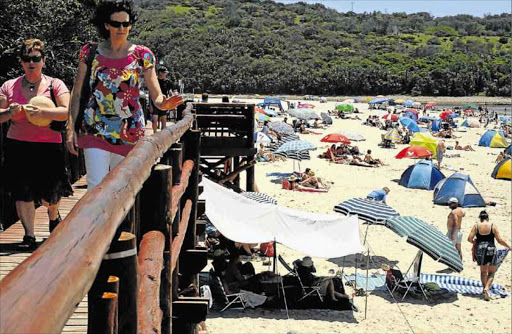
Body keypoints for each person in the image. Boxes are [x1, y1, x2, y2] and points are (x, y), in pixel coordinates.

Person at [66, 0, 183, 190]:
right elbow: (77, 93)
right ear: (106, 25)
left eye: (126, 24)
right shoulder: (90, 52)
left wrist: (166, 104)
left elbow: (157, 97)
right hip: (95, 130)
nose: (122, 28)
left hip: (130, 134)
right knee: (96, 188)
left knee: (121, 190)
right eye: (116, 24)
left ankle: (118, 222)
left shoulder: (142, 55)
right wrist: (70, 129)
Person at [0, 38, 73, 249]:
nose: (31, 63)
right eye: (27, 59)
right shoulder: (8, 86)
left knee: (51, 194)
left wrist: (43, 113)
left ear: (43, 60)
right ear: (21, 62)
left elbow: (66, 112)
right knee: (22, 192)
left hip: (49, 146)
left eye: (36, 58)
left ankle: (53, 215)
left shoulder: (55, 84)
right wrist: (9, 112)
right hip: (18, 145)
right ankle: (29, 236)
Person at [467, 211, 511, 301]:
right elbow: (499, 240)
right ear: (487, 218)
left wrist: (475, 242)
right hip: (491, 249)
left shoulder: (476, 226)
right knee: (491, 272)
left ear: (480, 218)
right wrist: (509, 246)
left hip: (480, 249)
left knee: (483, 272)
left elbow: (469, 238)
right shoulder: (492, 226)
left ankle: (484, 290)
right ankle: (487, 288)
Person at [150, 66, 173, 133]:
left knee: (164, 119)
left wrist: (172, 101)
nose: (165, 74)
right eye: (164, 73)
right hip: (155, 102)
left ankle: (162, 135)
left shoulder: (167, 82)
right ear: (160, 73)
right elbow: (150, 93)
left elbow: (170, 92)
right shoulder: (154, 81)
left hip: (164, 102)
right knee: (154, 120)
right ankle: (155, 133)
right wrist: (150, 105)